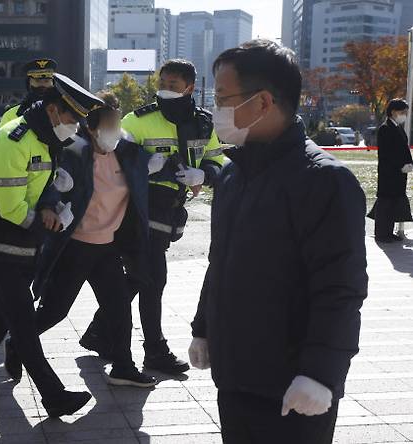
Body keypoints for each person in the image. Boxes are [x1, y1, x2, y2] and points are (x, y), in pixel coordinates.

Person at [188, 40, 368, 444]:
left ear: (263, 102)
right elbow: (222, 260)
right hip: (236, 373)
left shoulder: (323, 181)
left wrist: (320, 374)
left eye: (222, 98)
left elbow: (340, 287)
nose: (215, 110)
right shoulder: (235, 175)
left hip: (292, 384)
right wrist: (204, 328)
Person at [0, 73, 104, 418]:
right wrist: (48, 221)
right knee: (22, 321)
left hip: (18, 245)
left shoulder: (47, 137)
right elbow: (10, 208)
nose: (76, 126)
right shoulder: (13, 140)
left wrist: (50, 202)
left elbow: (40, 185)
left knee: (2, 314)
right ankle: (54, 395)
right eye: (73, 118)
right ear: (52, 110)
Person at [4, 91, 163, 388]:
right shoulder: (73, 153)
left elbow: (151, 165)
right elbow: (47, 186)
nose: (116, 131)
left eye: (118, 123)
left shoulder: (126, 152)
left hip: (108, 247)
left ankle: (123, 367)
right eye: (110, 125)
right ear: (90, 127)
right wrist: (53, 202)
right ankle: (17, 342)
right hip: (75, 248)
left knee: (119, 308)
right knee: (55, 311)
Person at [82, 59, 225, 375]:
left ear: (189, 87)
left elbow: (218, 161)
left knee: (139, 277)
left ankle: (99, 331)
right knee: (152, 279)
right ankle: (154, 350)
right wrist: (143, 163)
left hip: (172, 207)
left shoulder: (204, 124)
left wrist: (204, 174)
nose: (165, 90)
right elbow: (106, 151)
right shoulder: (138, 120)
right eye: (162, 83)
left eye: (173, 85)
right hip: (140, 209)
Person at [367, 99, 413, 242]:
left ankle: (389, 231)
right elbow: (387, 153)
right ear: (393, 112)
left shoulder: (398, 127)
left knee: (393, 203)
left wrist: (409, 163)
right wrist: (400, 165)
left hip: (399, 174)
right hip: (389, 172)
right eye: (402, 112)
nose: (404, 115)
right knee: (385, 203)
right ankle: (381, 234)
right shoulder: (385, 128)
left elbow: (403, 149)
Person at [0, 58, 57, 128]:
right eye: (37, 81)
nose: (43, 85)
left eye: (47, 81)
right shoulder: (11, 114)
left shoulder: (65, 112)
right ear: (28, 84)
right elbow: (1, 138)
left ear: (53, 84)